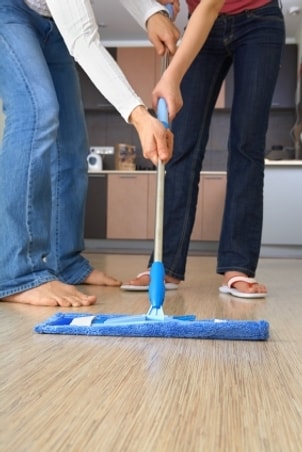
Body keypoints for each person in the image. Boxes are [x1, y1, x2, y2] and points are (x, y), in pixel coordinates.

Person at [0, 0, 180, 307]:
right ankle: (17, 272)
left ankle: (66, 261)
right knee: (37, 112)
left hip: (52, 23)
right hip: (8, 11)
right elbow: (84, 38)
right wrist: (138, 115)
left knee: (71, 141)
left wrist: (151, 12)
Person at [123, 0, 285, 298]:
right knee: (182, 144)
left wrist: (171, 77)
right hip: (203, 24)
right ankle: (166, 263)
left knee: (246, 145)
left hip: (260, 21)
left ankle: (238, 266)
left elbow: (209, 6)